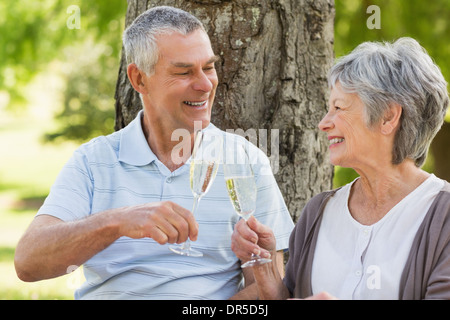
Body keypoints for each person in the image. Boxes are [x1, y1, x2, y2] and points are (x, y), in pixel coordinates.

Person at [14, 6, 294, 300]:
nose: (205, 84)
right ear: (139, 79)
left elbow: (266, 292)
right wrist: (118, 222)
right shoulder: (93, 161)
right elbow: (28, 263)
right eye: (184, 72)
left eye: (208, 67)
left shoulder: (245, 161)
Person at [231, 37, 450, 300]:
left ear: (388, 117)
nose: (324, 123)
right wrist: (266, 272)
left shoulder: (443, 218)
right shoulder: (318, 212)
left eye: (338, 107)